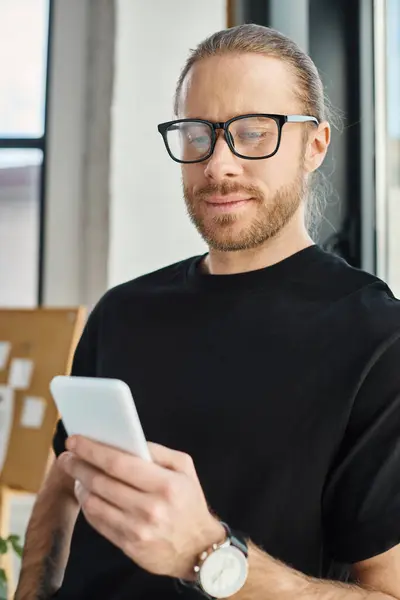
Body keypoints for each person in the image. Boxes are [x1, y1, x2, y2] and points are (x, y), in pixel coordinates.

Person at [15, 23, 400, 600]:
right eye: (197, 134)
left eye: (252, 133)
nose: (218, 164)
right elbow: (66, 480)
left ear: (314, 145)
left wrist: (208, 554)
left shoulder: (378, 339)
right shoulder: (121, 312)